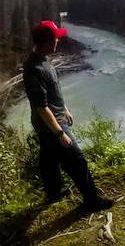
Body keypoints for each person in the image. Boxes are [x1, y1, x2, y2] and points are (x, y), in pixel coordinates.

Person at [22, 20, 113, 212]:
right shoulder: (34, 69)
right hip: (51, 123)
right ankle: (92, 201)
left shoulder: (43, 60)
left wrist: (65, 107)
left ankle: (54, 192)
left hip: (54, 118)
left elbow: (53, 90)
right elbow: (41, 107)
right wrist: (58, 132)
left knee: (49, 156)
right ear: (46, 41)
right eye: (55, 38)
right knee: (77, 159)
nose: (58, 41)